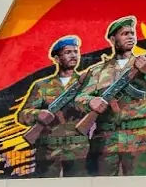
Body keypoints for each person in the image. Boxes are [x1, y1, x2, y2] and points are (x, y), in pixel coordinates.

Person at [82, 16, 146, 177]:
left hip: (139, 138)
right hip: (106, 140)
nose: (131, 37)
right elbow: (80, 98)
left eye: (132, 33)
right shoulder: (97, 70)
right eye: (125, 34)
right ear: (112, 39)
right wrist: (91, 102)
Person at [15, 34, 95, 177]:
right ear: (57, 59)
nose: (73, 55)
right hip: (49, 150)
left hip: (78, 150)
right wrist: (37, 115)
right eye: (68, 52)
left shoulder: (88, 83)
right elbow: (22, 115)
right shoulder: (42, 86)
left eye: (76, 52)